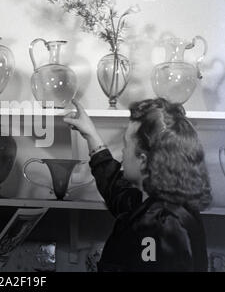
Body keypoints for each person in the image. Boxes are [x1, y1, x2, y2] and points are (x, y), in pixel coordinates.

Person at [64, 98, 212, 272]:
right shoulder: (158, 203)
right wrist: (91, 134)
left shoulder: (160, 224)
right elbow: (116, 190)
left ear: (143, 160)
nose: (123, 152)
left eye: (126, 145)